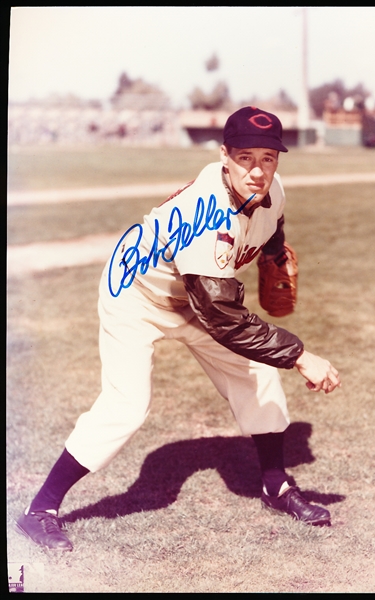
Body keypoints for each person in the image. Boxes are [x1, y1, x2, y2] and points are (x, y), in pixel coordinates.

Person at [15, 106, 341, 551]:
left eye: (268, 157)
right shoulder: (208, 215)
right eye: (246, 157)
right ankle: (40, 511)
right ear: (224, 155)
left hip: (194, 295)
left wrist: (272, 254)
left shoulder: (272, 188)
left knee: (257, 375)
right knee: (126, 405)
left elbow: (273, 224)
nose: (258, 170)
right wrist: (301, 355)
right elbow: (224, 319)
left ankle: (275, 487)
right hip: (136, 295)